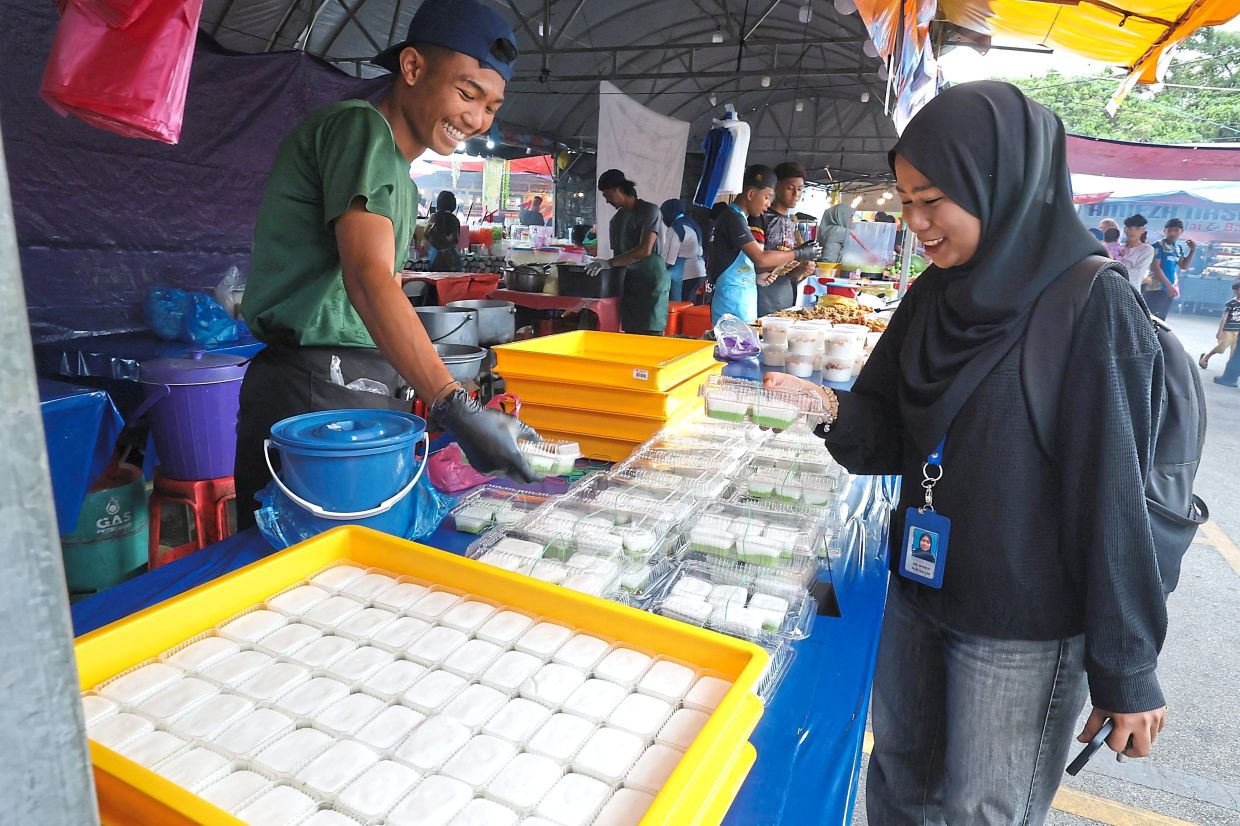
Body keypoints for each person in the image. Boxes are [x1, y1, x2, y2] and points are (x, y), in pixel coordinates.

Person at [766, 81, 1167, 826]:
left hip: (1020, 625)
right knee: (898, 785)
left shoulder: (1091, 303)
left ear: (1000, 182)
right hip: (921, 591)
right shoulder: (935, 293)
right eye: (904, 200)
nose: (913, 222)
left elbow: (1110, 497)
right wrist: (822, 406)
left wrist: (1127, 670)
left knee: (985, 810)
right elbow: (890, 427)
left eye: (932, 201)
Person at [235, 0, 539, 528]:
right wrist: (454, 406)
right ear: (413, 68)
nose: (476, 117)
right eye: (467, 93)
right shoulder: (361, 132)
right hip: (315, 393)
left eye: (491, 106)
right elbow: (369, 279)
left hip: (346, 386)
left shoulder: (396, 169)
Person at [706, 165, 817, 325]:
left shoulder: (740, 218)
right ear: (751, 194)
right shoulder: (733, 218)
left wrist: (757, 276)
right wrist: (799, 253)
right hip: (732, 299)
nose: (767, 204)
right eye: (767, 197)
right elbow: (760, 258)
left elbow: (744, 259)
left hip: (743, 297)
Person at [588, 169, 670, 335]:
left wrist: (608, 263)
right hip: (631, 283)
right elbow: (618, 257)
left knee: (651, 332)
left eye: (608, 195)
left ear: (619, 189)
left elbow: (645, 250)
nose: (607, 201)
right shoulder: (616, 221)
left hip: (651, 281)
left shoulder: (649, 211)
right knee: (631, 334)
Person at [757, 161, 817, 317]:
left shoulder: (791, 223)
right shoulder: (761, 218)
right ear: (776, 187)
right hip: (761, 296)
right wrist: (796, 255)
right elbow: (755, 261)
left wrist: (800, 270)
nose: (796, 194)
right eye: (790, 188)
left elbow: (787, 271)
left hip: (784, 296)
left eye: (800, 189)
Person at [1144, 218, 1197, 320]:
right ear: (1165, 231)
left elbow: (1183, 266)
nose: (1172, 233)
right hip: (1155, 289)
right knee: (1150, 319)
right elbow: (1155, 268)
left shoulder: (1178, 248)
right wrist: (1169, 286)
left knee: (1161, 321)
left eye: (1176, 230)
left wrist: (1192, 251)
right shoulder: (1158, 246)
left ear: (1181, 232)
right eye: (1170, 230)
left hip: (1168, 290)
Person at [659, 199, 706, 303]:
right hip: (700, 270)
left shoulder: (675, 228)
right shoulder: (692, 223)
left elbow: (668, 260)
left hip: (686, 273)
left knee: (679, 306)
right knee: (688, 305)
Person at [1200, 280, 1240, 369]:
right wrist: (1220, 331)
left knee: (1234, 352)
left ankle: (1230, 370)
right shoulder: (1230, 303)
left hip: (1237, 332)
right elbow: (1224, 317)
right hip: (1228, 330)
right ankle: (1207, 356)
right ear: (1235, 291)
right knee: (1222, 348)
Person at [424, 190, 462, 271]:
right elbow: (457, 240)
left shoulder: (433, 218)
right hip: (453, 259)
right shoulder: (455, 220)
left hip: (435, 258)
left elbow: (426, 236)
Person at [1116, 213, 1154, 292]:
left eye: (1137, 228)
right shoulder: (1118, 248)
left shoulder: (1147, 250)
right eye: (1130, 228)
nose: (1132, 232)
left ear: (1143, 230)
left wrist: (1114, 275)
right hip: (1111, 288)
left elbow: (1137, 273)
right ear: (1125, 229)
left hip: (1131, 290)